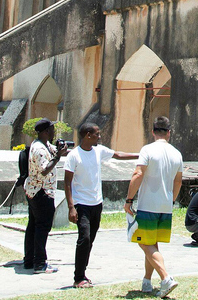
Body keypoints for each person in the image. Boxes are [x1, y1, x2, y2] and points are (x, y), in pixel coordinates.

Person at [64, 123, 139, 288]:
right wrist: (71, 207)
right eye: (97, 134)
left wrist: (141, 155)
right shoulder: (74, 156)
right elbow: (67, 183)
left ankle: (82, 273)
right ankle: (78, 278)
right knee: (84, 238)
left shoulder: (99, 151)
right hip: (81, 203)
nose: (100, 136)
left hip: (96, 203)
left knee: (90, 240)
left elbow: (118, 155)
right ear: (88, 135)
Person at [124, 117, 183, 298]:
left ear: (153, 132)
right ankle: (147, 281)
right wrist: (171, 200)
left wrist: (129, 199)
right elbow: (178, 181)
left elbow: (138, 173)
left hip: (148, 205)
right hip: (165, 206)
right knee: (153, 244)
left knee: (144, 242)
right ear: (169, 132)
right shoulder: (176, 153)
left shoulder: (147, 150)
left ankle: (166, 278)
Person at [23, 118, 69, 274]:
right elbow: (44, 170)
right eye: (51, 129)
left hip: (34, 191)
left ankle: (29, 260)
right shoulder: (40, 149)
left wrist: (62, 151)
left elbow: (57, 152)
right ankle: (40, 264)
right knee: (42, 227)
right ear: (45, 132)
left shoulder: (44, 145)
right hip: (42, 192)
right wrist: (57, 158)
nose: (54, 131)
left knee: (33, 226)